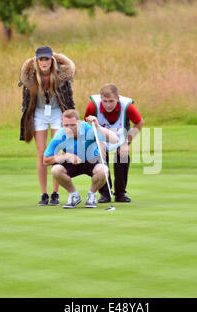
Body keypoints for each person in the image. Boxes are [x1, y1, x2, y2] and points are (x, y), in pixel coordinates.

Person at [18, 46, 76, 206]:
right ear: (37, 61)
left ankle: (55, 193)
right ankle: (44, 194)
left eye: (47, 59)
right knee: (41, 153)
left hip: (58, 113)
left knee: (57, 149)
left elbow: (69, 100)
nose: (44, 62)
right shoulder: (30, 77)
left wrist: (72, 119)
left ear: (52, 60)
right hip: (39, 114)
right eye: (41, 59)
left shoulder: (61, 75)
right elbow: (25, 103)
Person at [43, 109, 119, 209]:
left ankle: (92, 194)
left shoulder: (88, 128)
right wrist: (65, 156)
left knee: (103, 170)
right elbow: (45, 160)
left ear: (79, 123)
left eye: (72, 125)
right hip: (72, 162)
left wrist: (97, 126)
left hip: (92, 160)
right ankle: (73, 195)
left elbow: (115, 139)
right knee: (55, 170)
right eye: (66, 125)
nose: (69, 128)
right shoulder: (60, 135)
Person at [84, 83, 144, 203]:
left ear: (118, 98)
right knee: (99, 157)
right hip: (101, 136)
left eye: (111, 101)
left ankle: (120, 193)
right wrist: (97, 143)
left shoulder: (127, 106)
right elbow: (86, 126)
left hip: (121, 135)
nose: (108, 105)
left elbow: (139, 122)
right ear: (101, 99)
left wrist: (127, 143)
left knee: (123, 156)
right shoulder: (93, 105)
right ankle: (105, 194)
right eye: (105, 101)